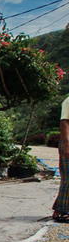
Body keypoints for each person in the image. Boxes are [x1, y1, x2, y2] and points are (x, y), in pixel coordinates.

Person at [52, 94, 69, 223]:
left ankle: (61, 208)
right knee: (68, 178)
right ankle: (63, 211)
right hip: (68, 143)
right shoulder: (68, 101)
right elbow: (64, 122)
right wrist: (67, 144)